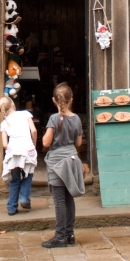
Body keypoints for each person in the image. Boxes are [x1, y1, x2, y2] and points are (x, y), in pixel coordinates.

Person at [41, 83, 85, 249]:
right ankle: (69, 234)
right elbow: (78, 143)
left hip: (57, 163)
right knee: (69, 199)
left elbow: (46, 142)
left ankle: (60, 237)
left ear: (54, 100)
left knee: (59, 201)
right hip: (72, 160)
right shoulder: (77, 119)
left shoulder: (54, 118)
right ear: (71, 100)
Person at [0, 95, 38, 216]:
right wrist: (33, 144)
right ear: (13, 104)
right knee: (28, 175)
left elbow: (5, 144)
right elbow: (34, 130)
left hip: (13, 153)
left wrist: (11, 149)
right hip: (28, 150)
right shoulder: (25, 114)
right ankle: (24, 198)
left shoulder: (4, 123)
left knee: (15, 180)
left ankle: (11, 208)